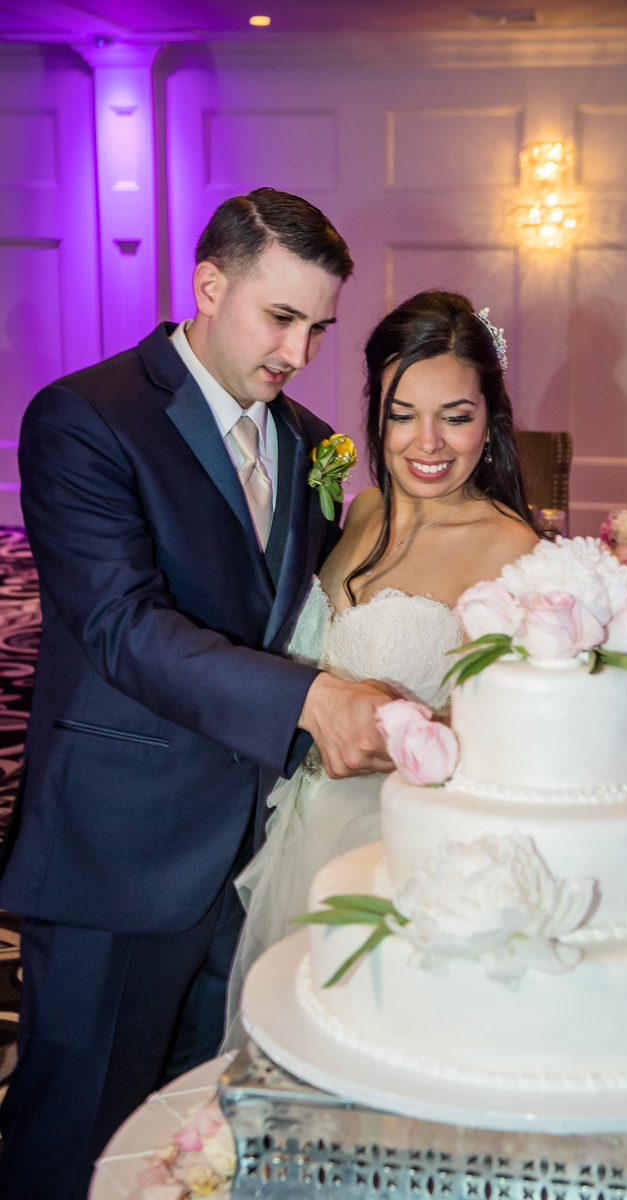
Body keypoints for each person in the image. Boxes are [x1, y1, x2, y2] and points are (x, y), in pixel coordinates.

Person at [0, 188, 397, 1200]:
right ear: (209, 286)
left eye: (318, 327)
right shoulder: (85, 417)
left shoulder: (310, 443)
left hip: (251, 855)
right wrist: (309, 700)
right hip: (117, 852)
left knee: (189, 1135)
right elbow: (121, 627)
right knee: (74, 1133)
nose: (300, 352)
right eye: (280, 317)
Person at [224, 290, 539, 1045]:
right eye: (402, 414)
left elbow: (519, 744)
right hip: (294, 825)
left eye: (455, 416)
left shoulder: (515, 552)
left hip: (397, 853)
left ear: (489, 419)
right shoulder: (361, 509)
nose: (427, 442)